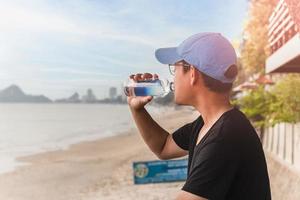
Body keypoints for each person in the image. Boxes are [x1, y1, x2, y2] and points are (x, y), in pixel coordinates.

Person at [127, 32, 271, 200]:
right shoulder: (206, 124)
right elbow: (163, 147)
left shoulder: (226, 136)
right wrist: (137, 110)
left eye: (175, 68)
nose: (173, 76)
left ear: (193, 73)